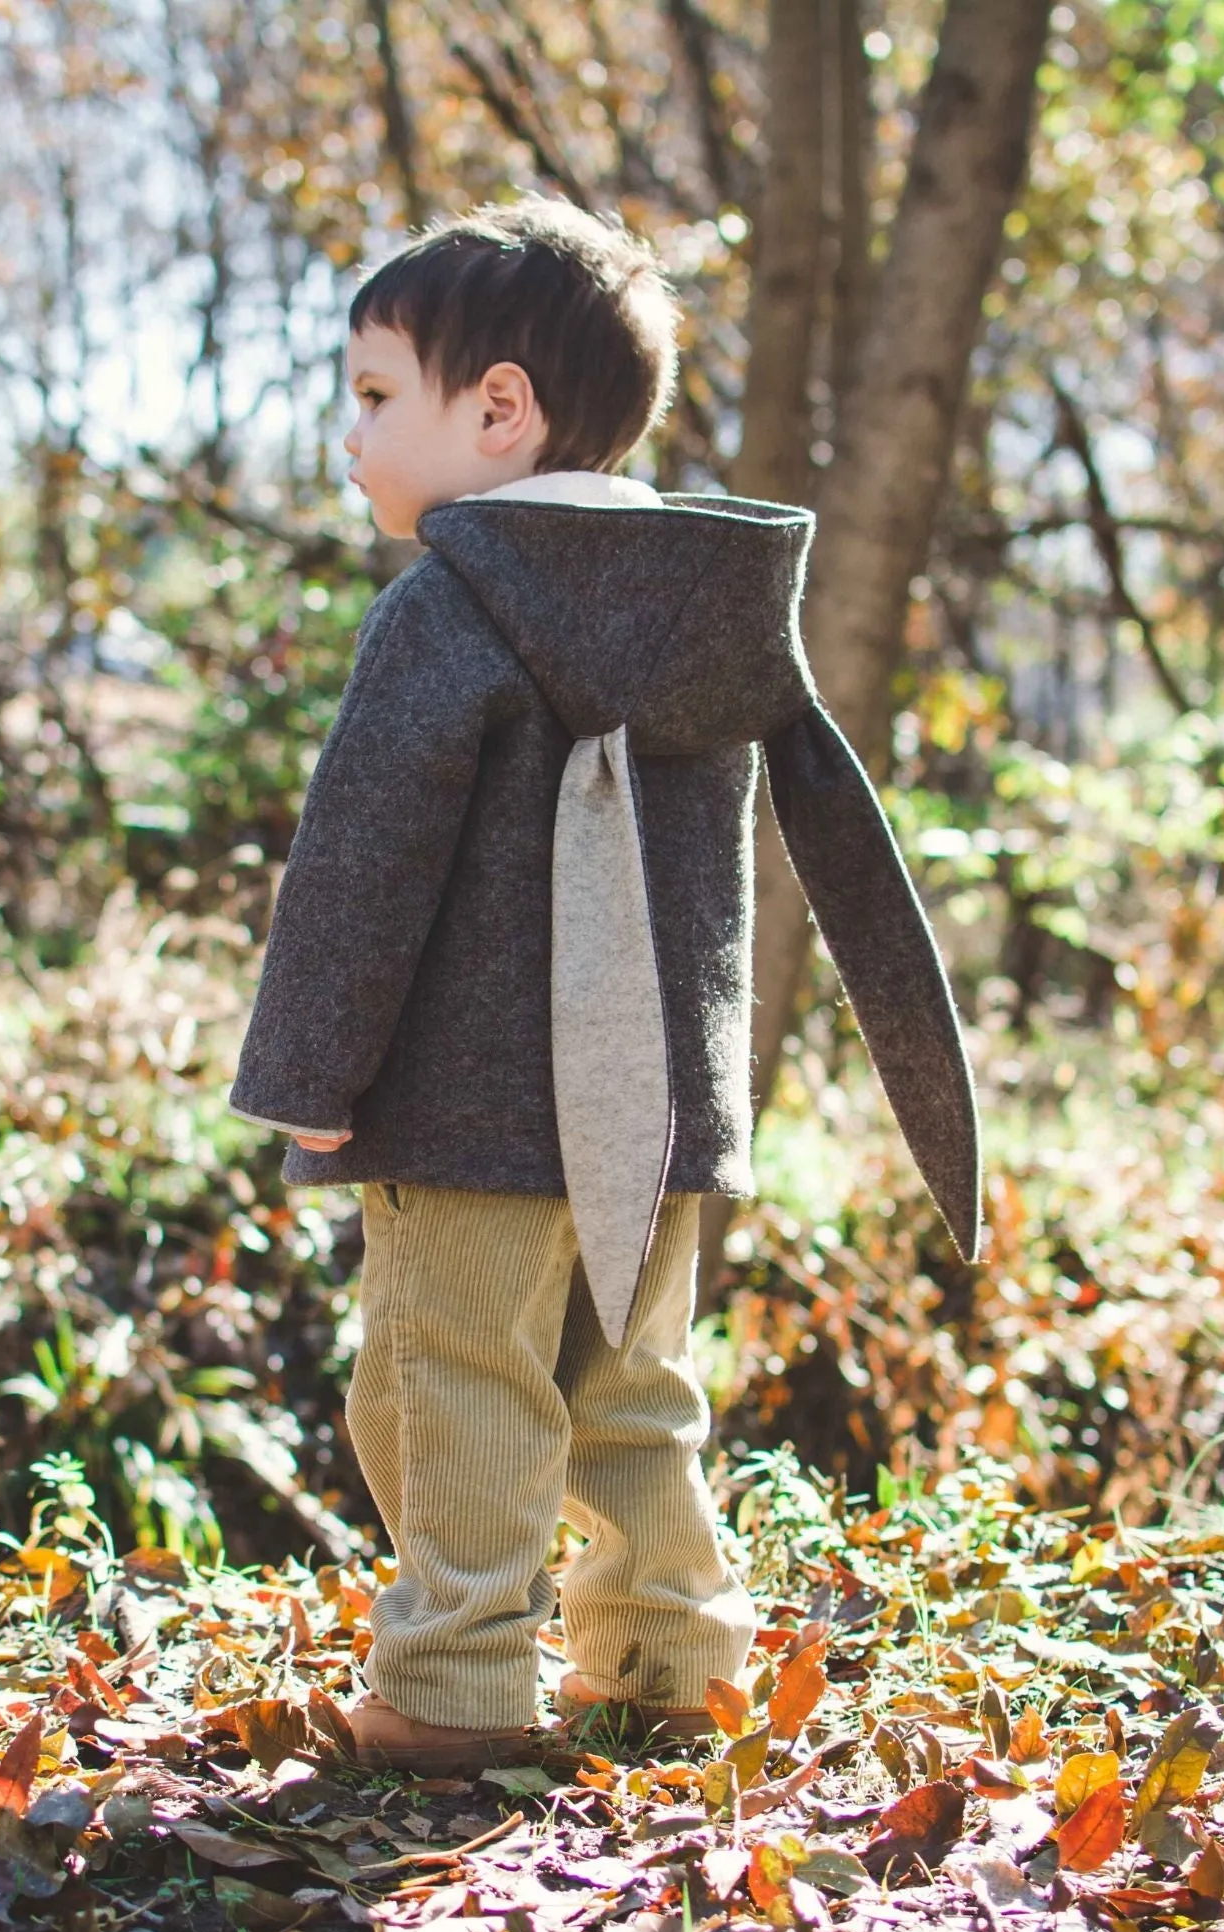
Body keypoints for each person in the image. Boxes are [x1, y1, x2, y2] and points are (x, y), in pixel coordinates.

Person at [229, 194, 982, 1774]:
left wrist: (307, 1075)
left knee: (451, 1386)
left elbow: (364, 870)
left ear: (497, 409)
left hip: (469, 1115)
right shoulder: (705, 614)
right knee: (631, 1390)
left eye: (375, 396)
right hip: (662, 1108)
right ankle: (667, 1663)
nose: (348, 435)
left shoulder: (450, 601)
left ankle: (452, 1689)